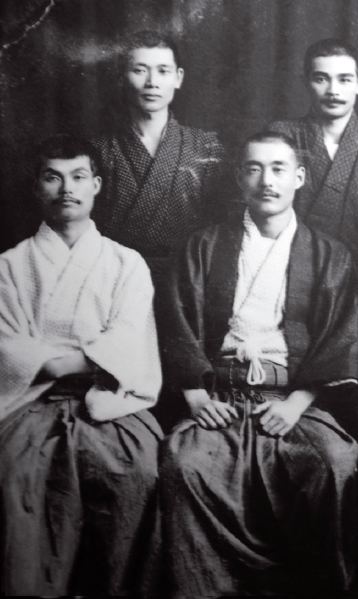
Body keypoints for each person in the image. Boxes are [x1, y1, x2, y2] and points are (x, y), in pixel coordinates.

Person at [157, 131, 358, 596]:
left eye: (278, 169)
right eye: (254, 168)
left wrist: (297, 404)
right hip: (219, 399)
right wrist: (196, 396)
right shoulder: (203, 246)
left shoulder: (329, 254)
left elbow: (340, 337)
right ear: (238, 177)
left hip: (291, 401)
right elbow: (177, 322)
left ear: (299, 178)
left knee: (337, 462)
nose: (266, 180)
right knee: (183, 463)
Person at [0, 135, 162, 595]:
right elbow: (9, 346)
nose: (66, 188)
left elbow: (128, 338)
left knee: (138, 472)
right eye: (53, 177)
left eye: (78, 177)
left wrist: (60, 361)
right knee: (16, 476)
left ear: (96, 185)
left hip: (108, 402)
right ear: (37, 187)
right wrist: (74, 363)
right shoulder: (9, 265)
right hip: (30, 401)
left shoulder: (126, 263)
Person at [92, 30, 227, 285]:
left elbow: (220, 229)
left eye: (163, 71)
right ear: (122, 77)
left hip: (187, 280)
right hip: (114, 279)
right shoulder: (97, 150)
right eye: (139, 70)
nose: (152, 82)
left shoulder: (207, 147)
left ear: (178, 78)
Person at [270, 38, 358, 260]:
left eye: (344, 80)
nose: (333, 90)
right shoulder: (282, 136)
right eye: (321, 79)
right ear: (306, 82)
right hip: (291, 264)